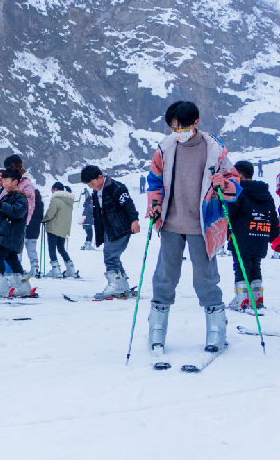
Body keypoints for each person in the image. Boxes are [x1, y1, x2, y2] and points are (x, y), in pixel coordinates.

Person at [145, 101, 239, 354]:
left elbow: (235, 182)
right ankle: (156, 327)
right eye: (173, 127)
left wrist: (224, 183)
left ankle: (217, 327)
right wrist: (154, 205)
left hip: (202, 226)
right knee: (165, 276)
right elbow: (153, 180)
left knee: (205, 278)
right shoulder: (165, 148)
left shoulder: (215, 149)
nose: (178, 132)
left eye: (182, 127)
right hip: (171, 223)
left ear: (195, 123)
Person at [225, 160, 279, 310]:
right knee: (255, 266)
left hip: (242, 238)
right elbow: (273, 216)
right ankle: (257, 299)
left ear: (240, 175)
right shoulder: (265, 194)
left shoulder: (239, 191)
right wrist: (273, 235)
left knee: (241, 267)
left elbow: (231, 214)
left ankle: (242, 300)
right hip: (261, 237)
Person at [81, 166, 139, 297]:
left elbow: (128, 204)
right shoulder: (96, 193)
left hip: (121, 228)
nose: (91, 186)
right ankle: (122, 284)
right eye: (88, 185)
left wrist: (134, 221)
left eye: (91, 183)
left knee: (110, 255)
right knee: (113, 256)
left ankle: (115, 285)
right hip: (109, 229)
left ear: (100, 177)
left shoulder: (116, 187)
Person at [0, 168, 29, 298]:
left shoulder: (20, 197)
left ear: (15, 181)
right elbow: (7, 215)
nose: (3, 183)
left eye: (6, 180)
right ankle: (24, 286)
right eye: (2, 181)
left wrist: (1, 206)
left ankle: (1, 287)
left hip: (9, 236)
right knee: (12, 259)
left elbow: (18, 212)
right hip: (5, 235)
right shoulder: (7, 197)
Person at [41, 182, 75, 278]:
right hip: (64, 229)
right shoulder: (69, 202)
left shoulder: (56, 200)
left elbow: (50, 214)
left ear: (55, 189)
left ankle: (56, 270)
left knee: (52, 249)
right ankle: (71, 269)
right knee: (61, 248)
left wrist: (43, 219)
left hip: (54, 228)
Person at [23, 188, 44, 277]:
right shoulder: (40, 204)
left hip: (25, 229)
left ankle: (17, 269)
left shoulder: (28, 203)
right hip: (35, 231)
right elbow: (41, 217)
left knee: (19, 251)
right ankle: (35, 268)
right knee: (32, 251)